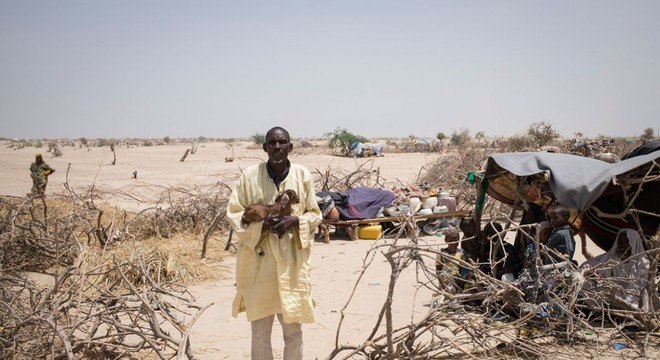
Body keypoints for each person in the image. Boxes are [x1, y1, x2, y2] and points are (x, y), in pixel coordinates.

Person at [226, 126, 322, 360]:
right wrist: (263, 226)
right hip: (260, 266)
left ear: (290, 147)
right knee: (260, 333)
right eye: (272, 142)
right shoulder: (249, 176)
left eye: (282, 143)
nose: (277, 147)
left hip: (292, 264)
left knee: (293, 332)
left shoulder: (302, 176)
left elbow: (315, 214)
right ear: (264, 147)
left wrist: (294, 220)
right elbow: (234, 214)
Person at [581, 229, 650, 311]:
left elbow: (639, 286)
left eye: (626, 241)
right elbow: (595, 264)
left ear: (633, 243)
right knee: (586, 284)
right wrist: (589, 271)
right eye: (620, 241)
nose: (622, 244)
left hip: (632, 293)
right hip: (612, 290)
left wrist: (626, 300)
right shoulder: (613, 257)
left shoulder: (642, 263)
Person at [436, 227, 468, 293]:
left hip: (459, 281)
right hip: (446, 282)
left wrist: (459, 283)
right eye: (450, 241)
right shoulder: (442, 253)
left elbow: (464, 270)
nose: (453, 243)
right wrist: (443, 284)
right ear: (446, 241)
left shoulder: (462, 253)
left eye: (456, 240)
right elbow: (438, 271)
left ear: (459, 239)